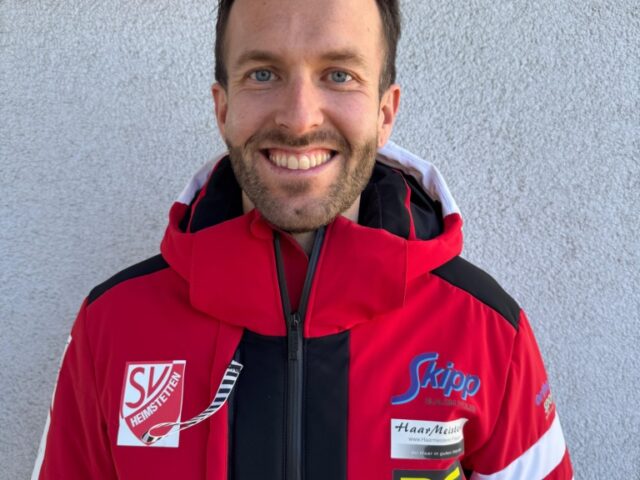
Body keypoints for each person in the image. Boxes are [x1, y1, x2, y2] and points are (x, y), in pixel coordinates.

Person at [33, 0, 574, 478]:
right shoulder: (112, 326)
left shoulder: (486, 332)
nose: (298, 118)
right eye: (263, 73)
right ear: (223, 108)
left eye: (339, 75)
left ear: (385, 112)